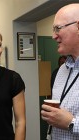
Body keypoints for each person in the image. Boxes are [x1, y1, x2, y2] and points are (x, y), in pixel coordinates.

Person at [41, 3, 79, 140]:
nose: (53, 36)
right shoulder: (61, 71)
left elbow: (68, 121)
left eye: (58, 28)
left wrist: (72, 123)